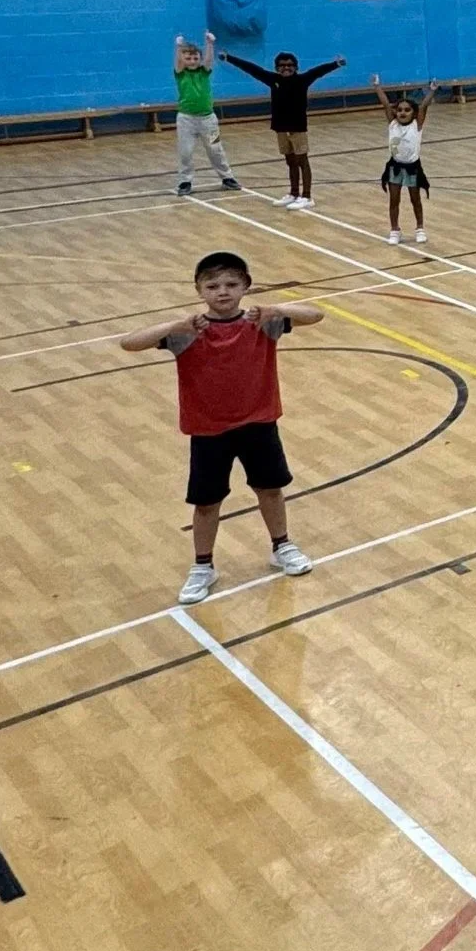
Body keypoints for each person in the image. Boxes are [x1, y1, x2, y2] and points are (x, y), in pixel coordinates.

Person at [116, 251, 323, 604]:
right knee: (207, 502)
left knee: (270, 490)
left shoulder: (262, 323)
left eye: (230, 284)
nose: (222, 292)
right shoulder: (188, 332)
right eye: (212, 286)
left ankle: (281, 545)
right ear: (199, 290)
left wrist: (278, 310)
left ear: (246, 287)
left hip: (259, 423)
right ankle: (203, 566)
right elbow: (129, 342)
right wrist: (172, 327)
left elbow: (316, 315)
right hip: (209, 431)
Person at [221, 47, 343, 208]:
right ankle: (294, 193)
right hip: (280, 127)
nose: (286, 68)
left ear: (296, 67)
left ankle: (307, 196)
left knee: (302, 161)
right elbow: (252, 69)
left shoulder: (302, 80)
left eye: (290, 65)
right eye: (282, 65)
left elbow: (319, 71)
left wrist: (336, 64)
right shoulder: (273, 80)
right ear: (277, 68)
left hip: (297, 127)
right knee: (290, 161)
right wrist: (229, 58)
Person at [169, 32, 240, 195]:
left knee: (216, 148)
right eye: (188, 58)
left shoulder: (204, 71)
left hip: (209, 120)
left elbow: (208, 60)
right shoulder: (180, 73)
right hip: (186, 120)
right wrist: (179, 47)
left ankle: (227, 177)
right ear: (183, 60)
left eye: (195, 58)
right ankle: (184, 181)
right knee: (185, 151)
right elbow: (178, 61)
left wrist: (209, 44)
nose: (192, 61)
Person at [373, 75, 435, 244]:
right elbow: (385, 104)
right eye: (399, 110)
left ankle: (420, 228)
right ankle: (395, 230)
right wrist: (377, 86)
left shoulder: (417, 126)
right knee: (394, 199)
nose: (402, 113)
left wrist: (432, 90)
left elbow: (423, 106)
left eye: (407, 110)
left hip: (413, 167)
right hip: (395, 167)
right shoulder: (393, 125)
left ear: (413, 113)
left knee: (415, 199)